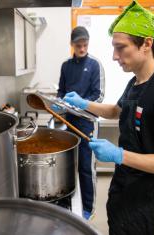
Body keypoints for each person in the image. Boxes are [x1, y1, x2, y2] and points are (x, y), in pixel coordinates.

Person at [63, 1, 154, 234]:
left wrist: (119, 154)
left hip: (147, 195)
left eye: (121, 48)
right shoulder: (135, 82)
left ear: (146, 44)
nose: (114, 56)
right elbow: (117, 110)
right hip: (124, 183)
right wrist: (84, 104)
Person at [53, 26, 105, 220]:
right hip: (69, 122)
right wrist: (59, 103)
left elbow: (99, 96)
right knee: (68, 165)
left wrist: (80, 105)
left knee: (85, 167)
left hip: (87, 123)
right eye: (78, 45)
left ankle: (88, 209)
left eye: (85, 45)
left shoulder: (94, 65)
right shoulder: (66, 66)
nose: (82, 49)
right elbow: (61, 91)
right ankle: (69, 202)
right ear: (72, 45)